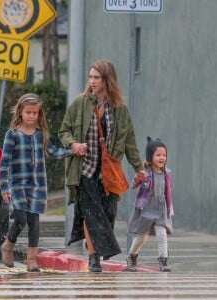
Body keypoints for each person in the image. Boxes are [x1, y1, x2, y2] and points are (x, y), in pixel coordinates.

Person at [58, 59, 146, 272]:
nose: (93, 81)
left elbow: (129, 141)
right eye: (91, 77)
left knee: (106, 215)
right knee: (91, 213)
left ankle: (94, 244)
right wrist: (74, 144)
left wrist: (138, 168)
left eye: (97, 77)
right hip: (84, 170)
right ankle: (94, 257)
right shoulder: (80, 103)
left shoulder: (119, 109)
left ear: (107, 80)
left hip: (108, 173)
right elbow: (63, 131)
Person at [0, 93, 72, 272]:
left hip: (38, 185)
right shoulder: (12, 134)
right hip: (18, 184)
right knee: (21, 218)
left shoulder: (40, 135)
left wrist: (72, 151)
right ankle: (8, 245)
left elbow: (53, 152)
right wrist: (4, 186)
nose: (32, 116)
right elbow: (4, 162)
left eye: (35, 113)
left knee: (34, 221)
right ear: (21, 112)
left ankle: (32, 259)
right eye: (28, 112)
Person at [126, 136, 174, 272]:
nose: (162, 158)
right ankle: (131, 256)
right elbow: (134, 184)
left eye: (164, 155)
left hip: (160, 209)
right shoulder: (146, 173)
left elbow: (167, 191)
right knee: (142, 237)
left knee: (162, 234)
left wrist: (169, 208)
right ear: (150, 157)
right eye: (158, 155)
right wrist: (137, 180)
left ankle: (163, 261)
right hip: (146, 208)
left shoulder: (167, 173)